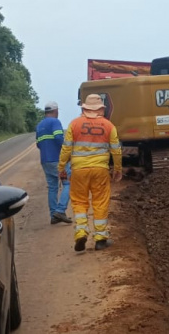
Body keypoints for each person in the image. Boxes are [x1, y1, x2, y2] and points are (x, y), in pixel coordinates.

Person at [59, 93, 122, 251]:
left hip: (79, 170)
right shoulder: (109, 126)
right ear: (101, 109)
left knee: (79, 201)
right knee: (100, 202)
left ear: (85, 108)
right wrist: (118, 169)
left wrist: (61, 168)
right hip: (100, 170)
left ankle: (81, 232)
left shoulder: (74, 124)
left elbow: (66, 148)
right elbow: (116, 150)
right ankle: (100, 239)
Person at [36, 101, 71, 225]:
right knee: (68, 183)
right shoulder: (55, 122)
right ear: (56, 111)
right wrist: (67, 152)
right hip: (57, 161)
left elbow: (38, 144)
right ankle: (60, 210)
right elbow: (58, 138)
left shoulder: (39, 125)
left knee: (52, 187)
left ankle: (53, 215)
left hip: (45, 161)